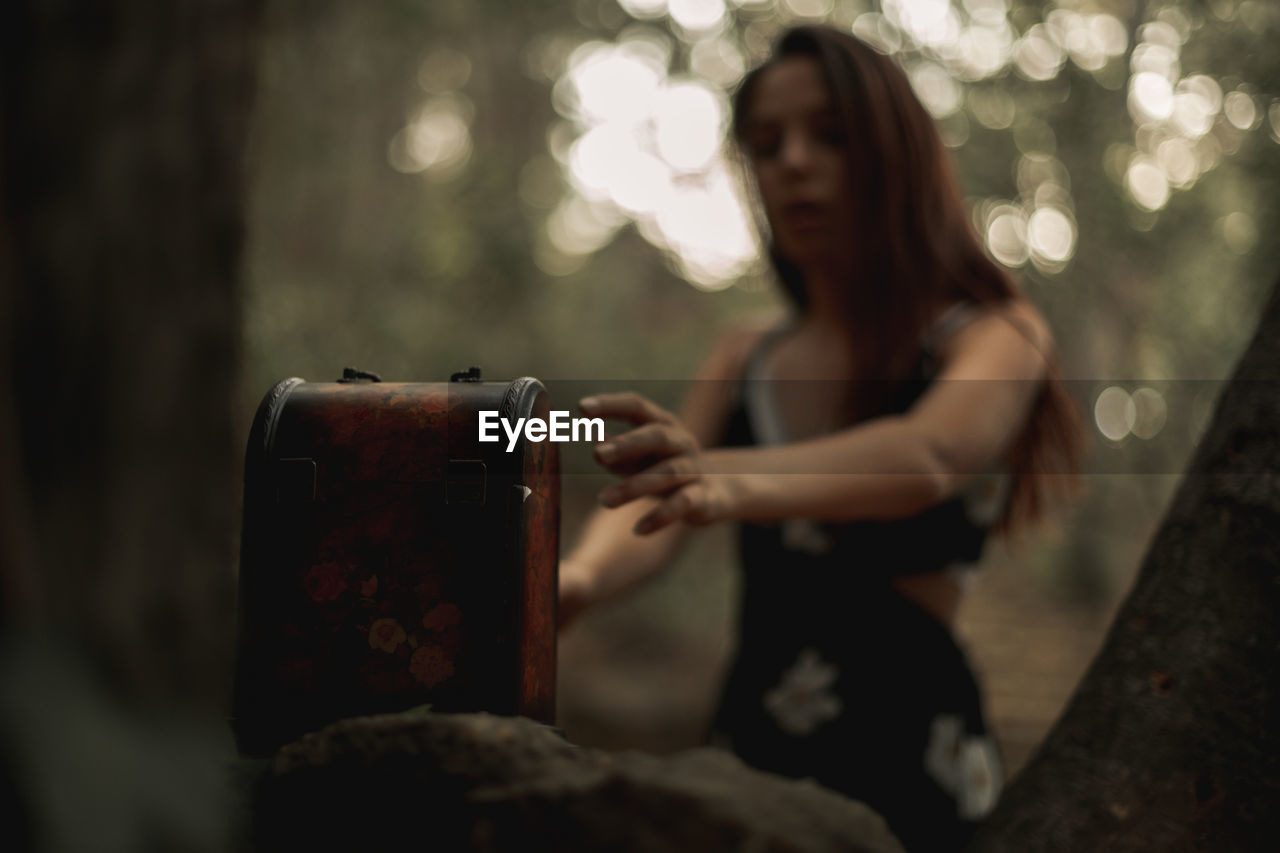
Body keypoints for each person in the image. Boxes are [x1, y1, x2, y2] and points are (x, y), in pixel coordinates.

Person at [558, 25, 1083, 852]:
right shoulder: (746, 354)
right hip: (749, 748)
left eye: (831, 135)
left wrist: (722, 477)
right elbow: (655, 498)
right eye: (767, 145)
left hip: (914, 759)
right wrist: (578, 579)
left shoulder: (994, 336)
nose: (794, 162)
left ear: (897, 154)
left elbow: (927, 455)